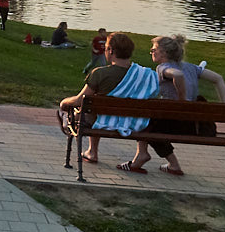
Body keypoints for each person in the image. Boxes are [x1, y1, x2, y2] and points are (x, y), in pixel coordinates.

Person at [126, 35, 225, 177]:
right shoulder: (192, 68)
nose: (151, 51)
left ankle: (142, 156)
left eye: (154, 49)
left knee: (145, 122)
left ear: (164, 53)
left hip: (177, 124)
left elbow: (178, 75)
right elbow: (218, 79)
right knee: (151, 122)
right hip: (196, 126)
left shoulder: (162, 68)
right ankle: (172, 165)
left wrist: (181, 100)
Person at [58, 32, 156, 168]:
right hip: (136, 122)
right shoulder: (146, 75)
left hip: (101, 120)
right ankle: (141, 152)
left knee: (83, 110)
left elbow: (79, 100)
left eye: (106, 49)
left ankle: (92, 152)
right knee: (95, 107)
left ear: (111, 51)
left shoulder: (100, 74)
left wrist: (64, 103)